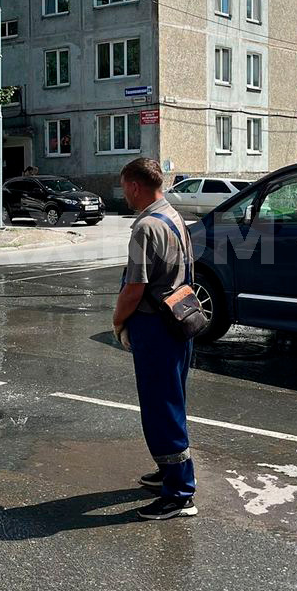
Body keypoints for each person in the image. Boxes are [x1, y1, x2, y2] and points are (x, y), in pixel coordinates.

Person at [112, 157, 197, 520]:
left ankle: (179, 495)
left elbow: (135, 287)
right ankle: (168, 472)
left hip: (155, 326)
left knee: (161, 408)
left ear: (134, 186)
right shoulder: (173, 216)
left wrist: (118, 321)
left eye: (124, 187)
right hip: (180, 319)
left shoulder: (145, 226)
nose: (124, 195)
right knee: (171, 401)